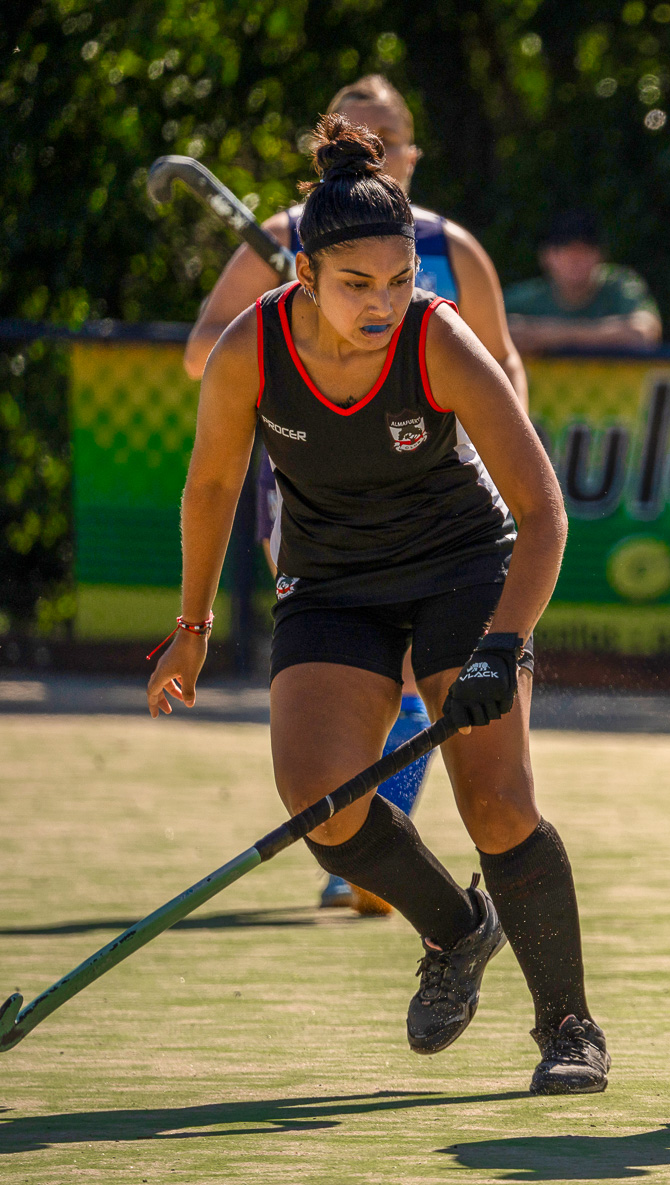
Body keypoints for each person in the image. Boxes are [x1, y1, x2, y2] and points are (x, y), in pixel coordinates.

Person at [147, 116, 606, 1095]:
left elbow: (542, 511)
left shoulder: (436, 339)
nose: (384, 303)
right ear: (302, 277)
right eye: (358, 285)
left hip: (461, 570)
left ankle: (567, 1024)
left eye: (398, 281)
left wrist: (500, 646)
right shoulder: (250, 349)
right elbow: (211, 490)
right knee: (321, 799)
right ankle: (456, 931)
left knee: (497, 799)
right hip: (332, 584)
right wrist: (191, 632)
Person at [184, 73, 529, 913]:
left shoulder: (454, 248)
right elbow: (207, 355)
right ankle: (367, 835)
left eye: (389, 140)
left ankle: (378, 841)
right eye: (356, 135)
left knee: (424, 666)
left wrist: (496, 431)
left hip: (438, 497)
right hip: (318, 498)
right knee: (365, 680)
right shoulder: (280, 241)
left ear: (409, 154)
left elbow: (502, 361)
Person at [504, 210, 662, 352]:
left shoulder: (622, 285)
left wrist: (548, 334)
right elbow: (489, 330)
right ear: (547, 256)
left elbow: (644, 332)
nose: (575, 260)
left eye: (584, 251)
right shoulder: (523, 297)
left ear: (599, 255)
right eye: (566, 251)